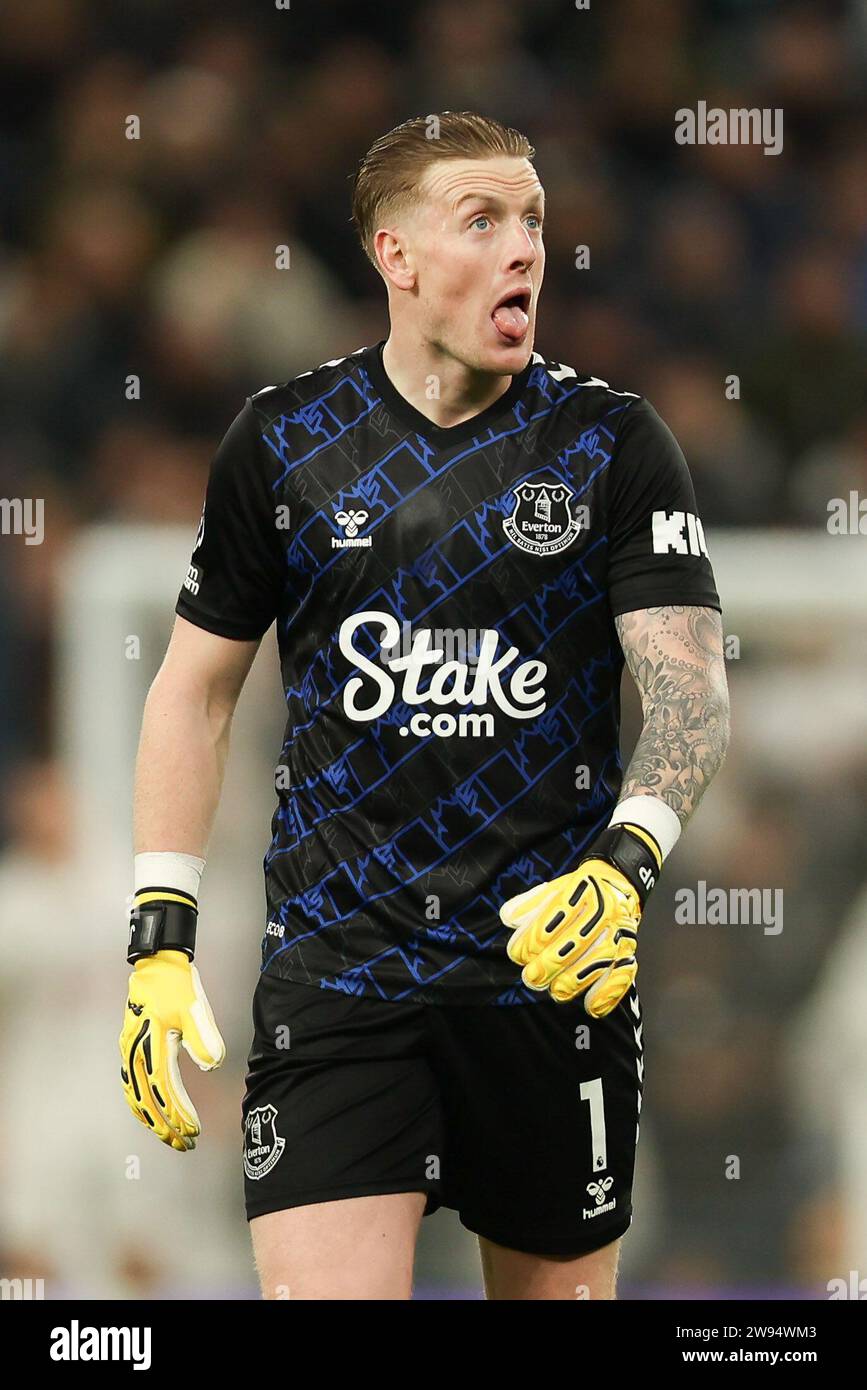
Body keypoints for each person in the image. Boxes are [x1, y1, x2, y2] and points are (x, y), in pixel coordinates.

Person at [119, 111, 730, 1300]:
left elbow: (691, 690)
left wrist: (626, 864)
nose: (526, 252)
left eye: (536, 222)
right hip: (339, 984)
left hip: (549, 981)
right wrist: (159, 931)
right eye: (484, 220)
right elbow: (192, 693)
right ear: (394, 256)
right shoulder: (284, 442)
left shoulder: (611, 443)